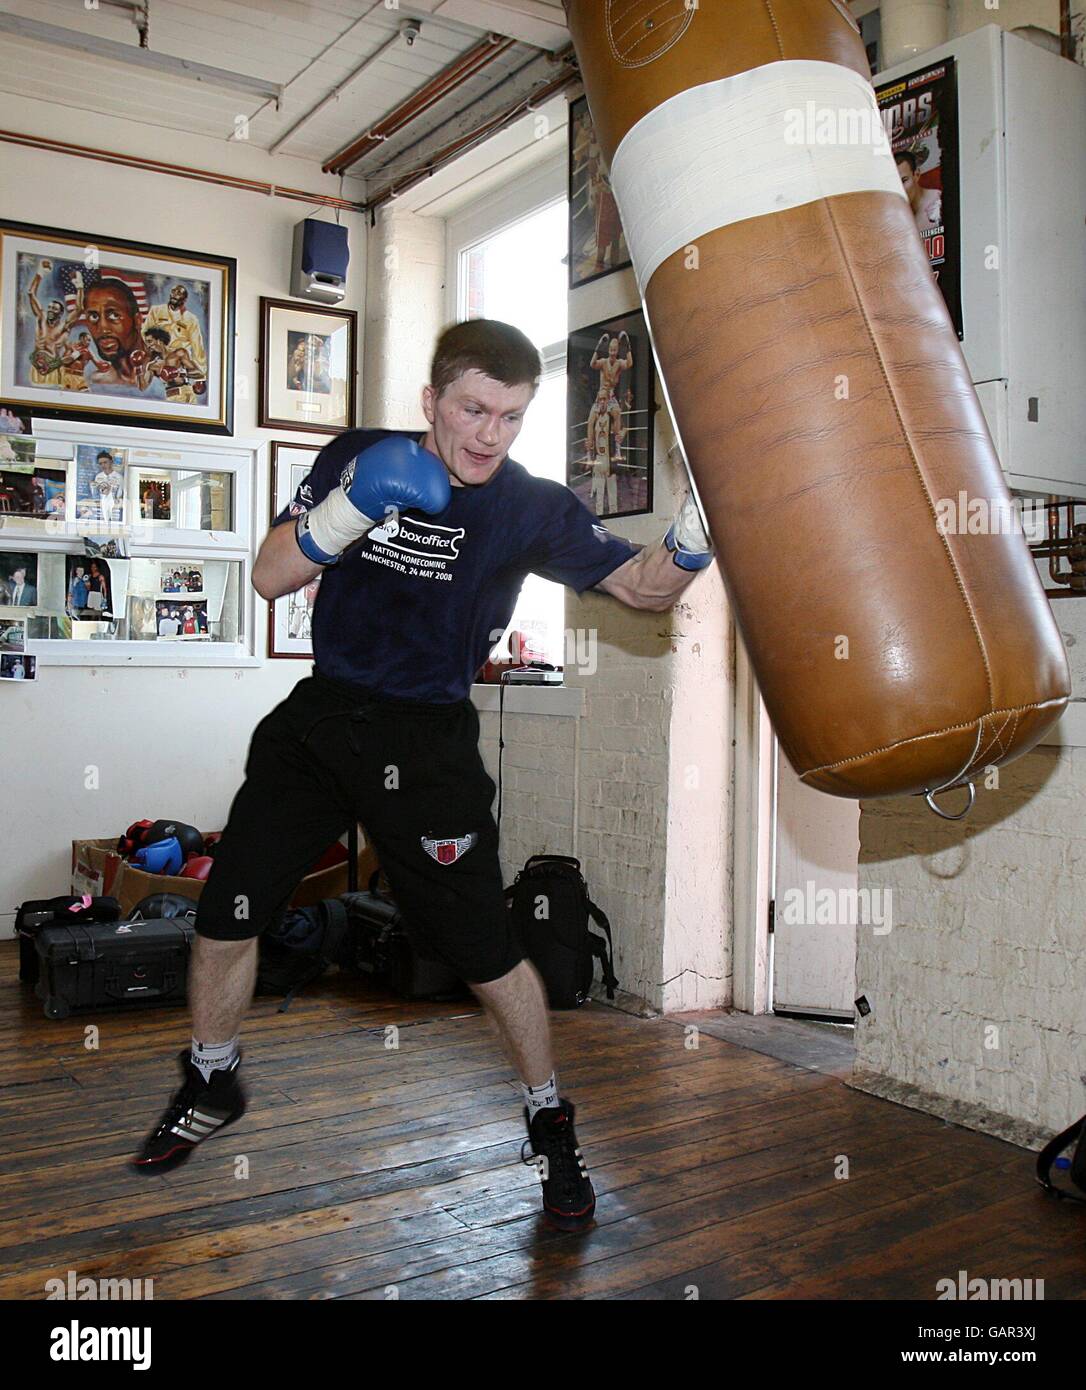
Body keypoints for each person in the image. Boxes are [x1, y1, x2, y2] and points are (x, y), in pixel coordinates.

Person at [129, 318, 715, 1233]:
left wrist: (692, 537)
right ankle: (212, 1077)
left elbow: (640, 589)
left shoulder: (529, 506)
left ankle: (549, 1117)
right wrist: (352, 509)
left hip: (429, 742)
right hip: (322, 719)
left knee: (485, 952)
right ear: (431, 402)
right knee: (225, 910)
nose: (490, 434)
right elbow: (270, 576)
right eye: (474, 409)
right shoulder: (361, 457)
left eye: (511, 417)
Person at [895, 150, 942, 233]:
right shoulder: (894, 215)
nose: (900, 189)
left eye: (904, 180)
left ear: (916, 175)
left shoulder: (938, 202)